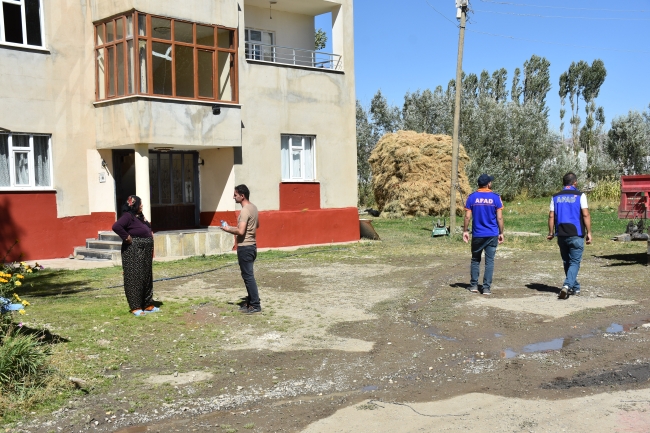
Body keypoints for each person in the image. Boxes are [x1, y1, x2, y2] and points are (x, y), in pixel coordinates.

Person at [547, 172, 592, 299]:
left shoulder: (555, 197)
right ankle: (567, 285)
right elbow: (585, 214)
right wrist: (589, 232)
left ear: (563, 183)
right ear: (575, 183)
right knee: (575, 262)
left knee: (567, 261)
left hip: (561, 233)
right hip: (576, 233)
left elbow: (551, 215)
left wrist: (551, 232)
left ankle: (574, 287)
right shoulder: (580, 195)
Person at [112, 195, 159, 316]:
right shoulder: (128, 216)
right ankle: (136, 307)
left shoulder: (140, 217)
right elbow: (116, 226)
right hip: (133, 251)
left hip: (145, 251)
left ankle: (148, 305)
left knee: (146, 276)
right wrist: (127, 237)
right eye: (140, 203)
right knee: (134, 277)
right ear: (134, 205)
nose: (142, 205)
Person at [221, 185, 261, 314]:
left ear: (242, 196)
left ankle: (255, 305)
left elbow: (241, 231)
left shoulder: (244, 210)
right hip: (252, 246)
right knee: (247, 275)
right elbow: (256, 225)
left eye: (235, 195)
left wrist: (228, 229)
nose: (233, 197)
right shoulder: (253, 208)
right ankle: (250, 302)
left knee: (248, 276)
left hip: (245, 247)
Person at [462, 174, 505, 295]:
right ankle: (486, 288)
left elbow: (467, 216)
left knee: (475, 259)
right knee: (489, 261)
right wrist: (501, 232)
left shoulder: (471, 197)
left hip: (477, 234)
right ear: (489, 184)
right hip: (492, 234)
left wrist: (465, 230)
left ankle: (474, 285)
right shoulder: (496, 198)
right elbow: (500, 218)